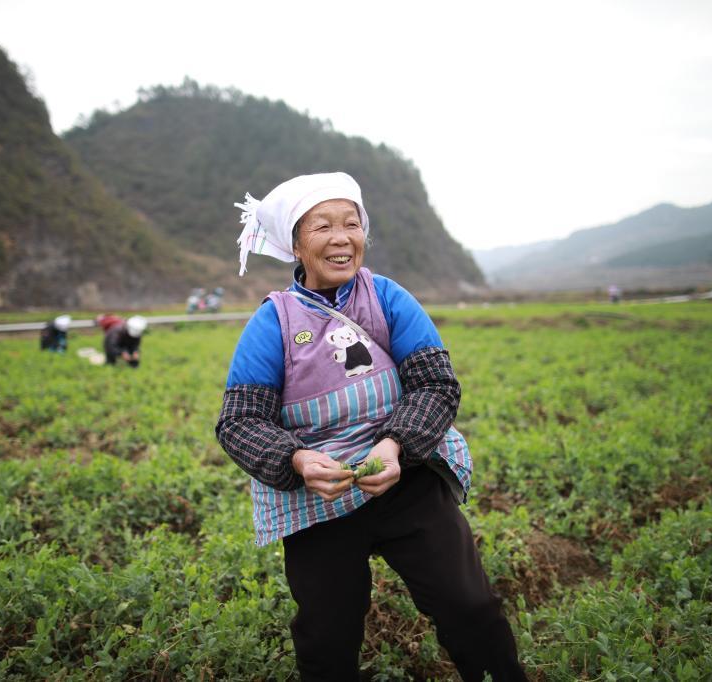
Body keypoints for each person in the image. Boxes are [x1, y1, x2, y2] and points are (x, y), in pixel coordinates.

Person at [215, 172, 527, 681]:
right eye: (322, 227)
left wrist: (395, 444)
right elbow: (240, 421)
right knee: (327, 636)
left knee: (469, 607)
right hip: (318, 499)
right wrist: (297, 459)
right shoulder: (274, 321)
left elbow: (435, 384)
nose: (341, 238)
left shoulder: (388, 298)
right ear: (296, 244)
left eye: (351, 224)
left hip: (407, 480)